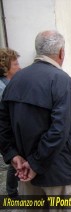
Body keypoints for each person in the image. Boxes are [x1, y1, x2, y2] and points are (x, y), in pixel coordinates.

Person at [0, 30, 71, 212]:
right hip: (58, 171)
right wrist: (35, 164)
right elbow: (59, 130)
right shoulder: (62, 80)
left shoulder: (15, 81)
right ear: (61, 52)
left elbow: (3, 125)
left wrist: (14, 155)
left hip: (27, 169)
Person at [0, 48, 21, 199]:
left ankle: (12, 191)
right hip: (7, 133)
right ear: (6, 68)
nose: (19, 67)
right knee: (14, 157)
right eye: (15, 64)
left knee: (14, 158)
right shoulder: (3, 89)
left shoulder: (8, 84)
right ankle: (12, 193)